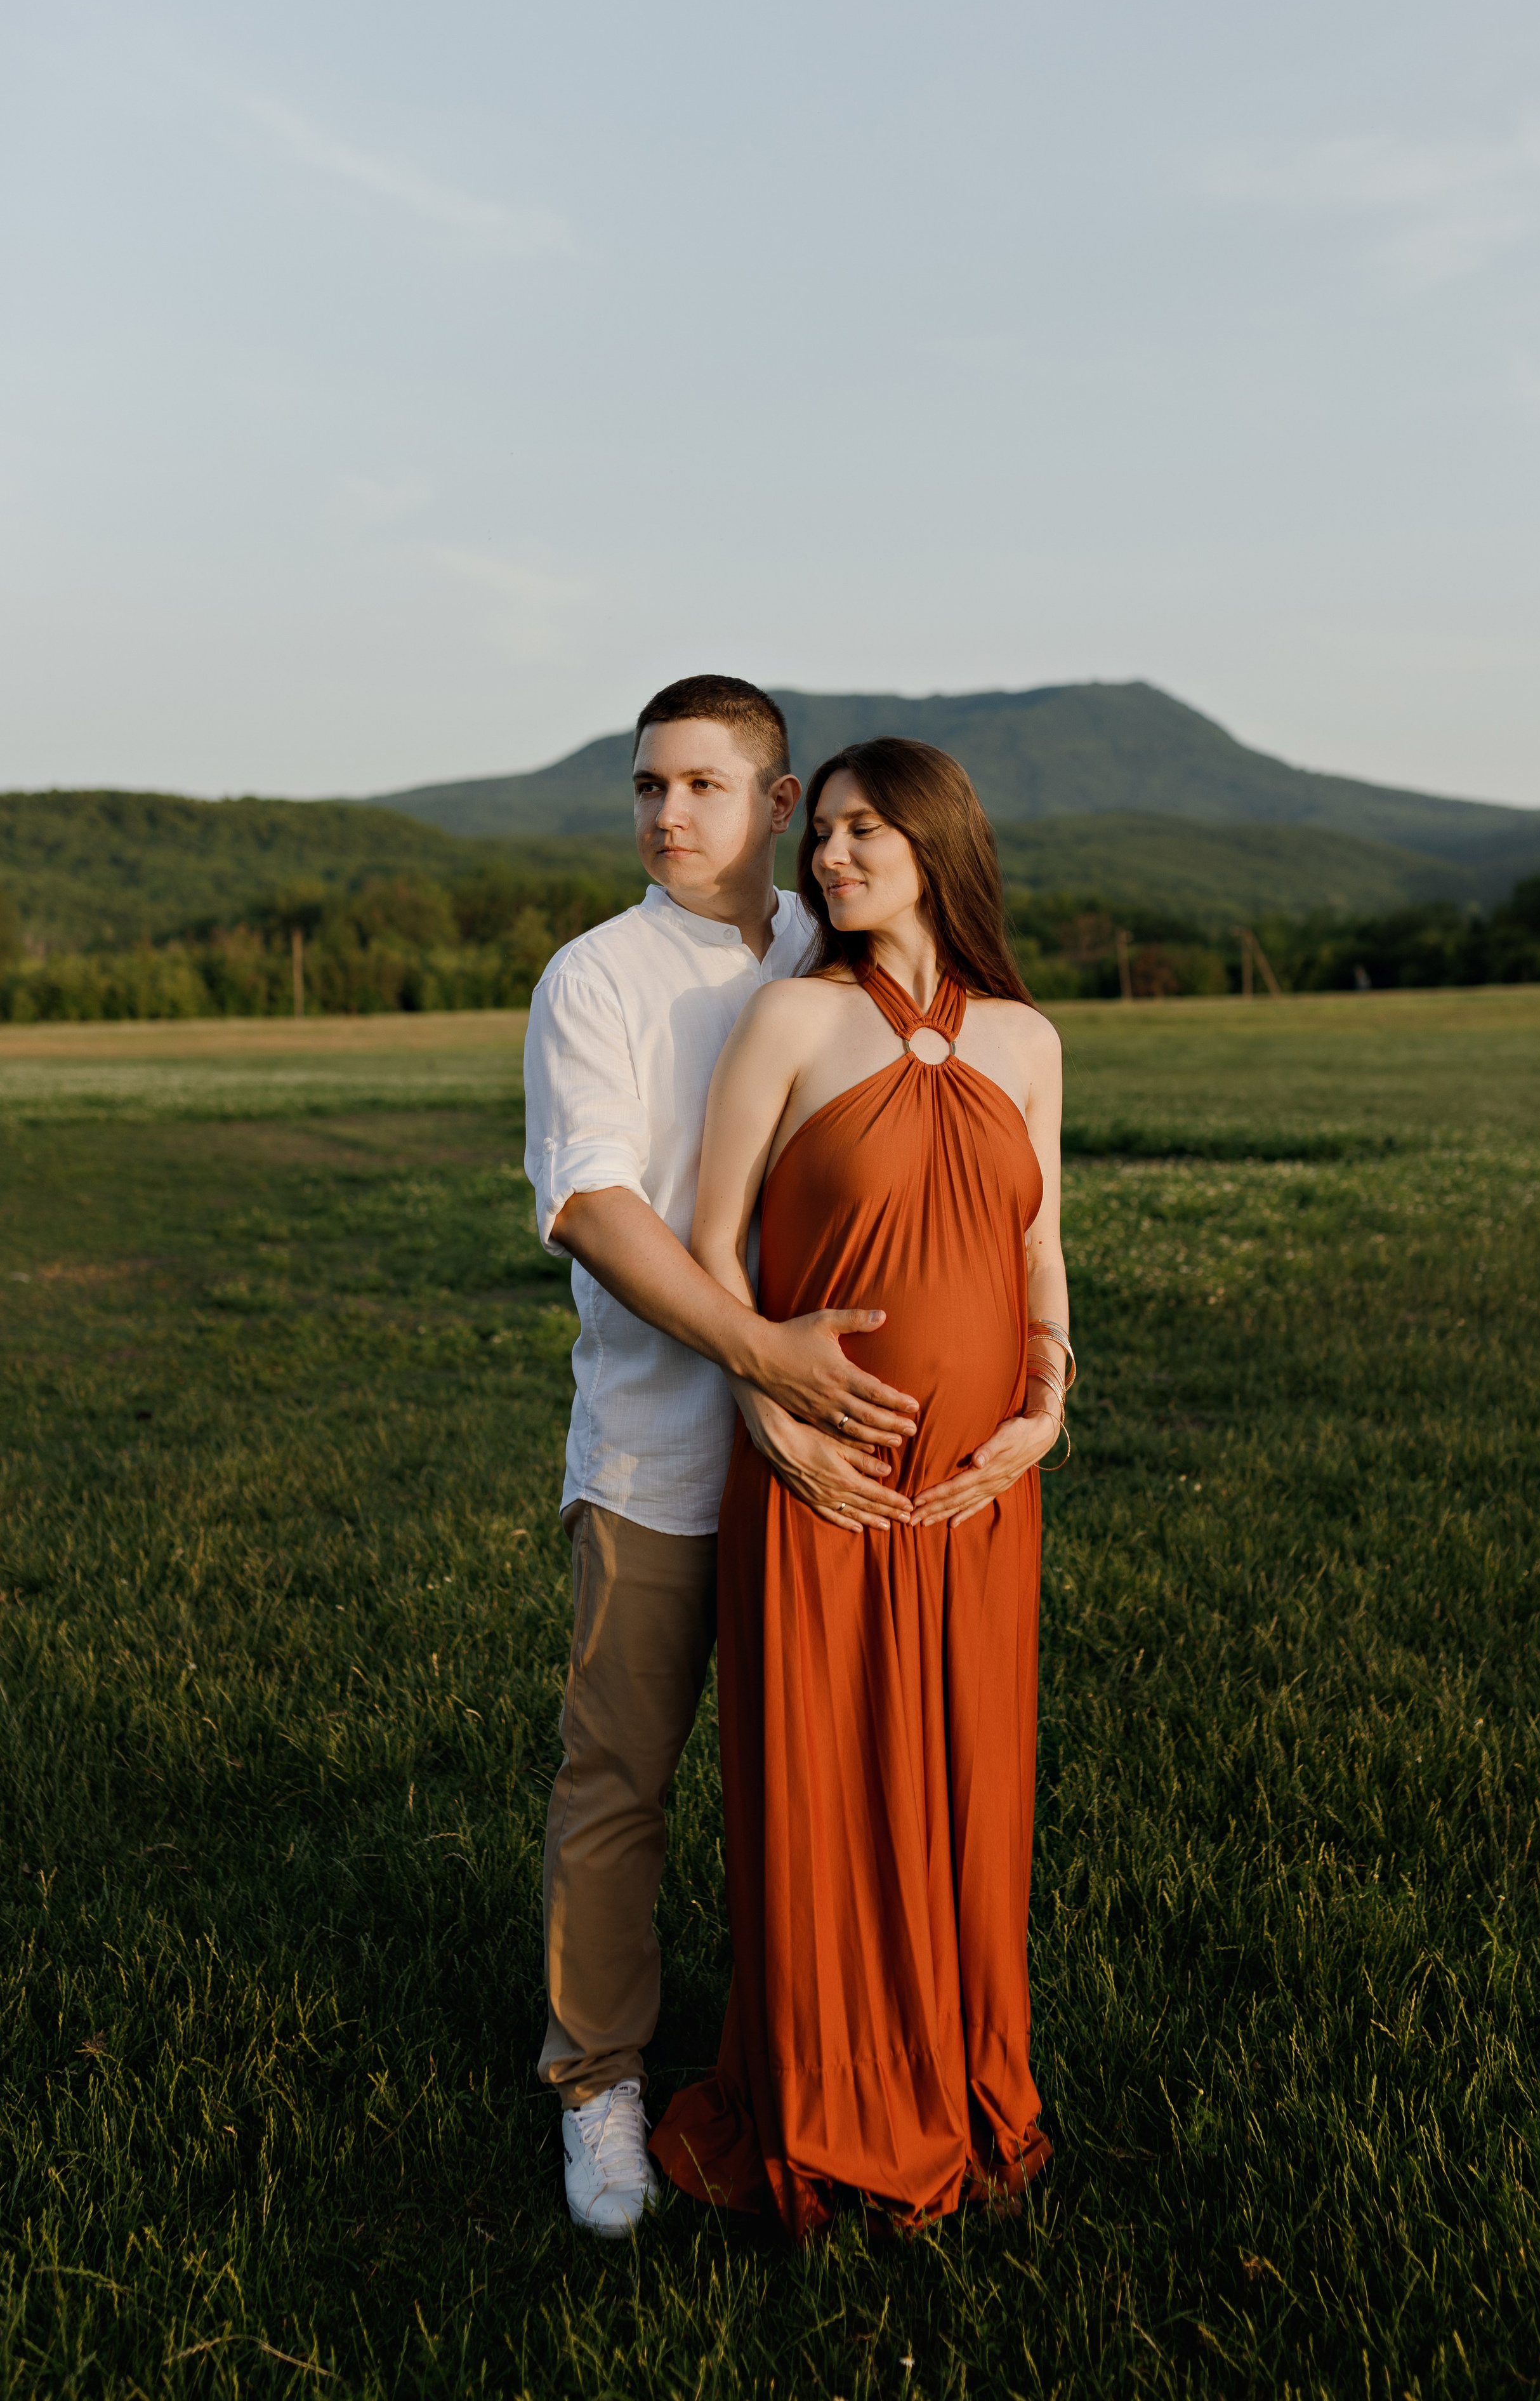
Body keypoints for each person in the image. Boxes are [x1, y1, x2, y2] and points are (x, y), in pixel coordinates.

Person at [649, 736, 1070, 2238]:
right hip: (820, 1480)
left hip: (978, 1494)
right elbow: (710, 1252)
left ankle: (965, 2084)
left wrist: (1047, 1401)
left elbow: (1036, 1245)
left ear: (939, 840)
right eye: (819, 830)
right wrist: (768, 1407)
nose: (828, 856)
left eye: (863, 829)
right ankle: (835, 2111)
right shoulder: (788, 1018)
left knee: (968, 1791)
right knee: (825, 1791)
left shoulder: (1025, 1038)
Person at [523, 675, 923, 2240]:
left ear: (776, 806)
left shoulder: (839, 952)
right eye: (644, 788)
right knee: (619, 1778)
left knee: (811, 1781)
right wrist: (759, 1351)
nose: (664, 816)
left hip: (827, 1458)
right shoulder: (598, 975)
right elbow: (596, 1207)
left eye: (700, 786)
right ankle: (597, 2082)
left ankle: (804, 2069)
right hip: (660, 1457)